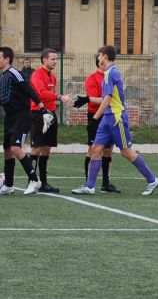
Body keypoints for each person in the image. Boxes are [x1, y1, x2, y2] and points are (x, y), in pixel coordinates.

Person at [72, 45, 158, 196]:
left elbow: (107, 99)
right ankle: (90, 186)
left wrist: (94, 118)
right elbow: (105, 98)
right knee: (96, 149)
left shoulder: (110, 73)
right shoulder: (109, 72)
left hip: (116, 118)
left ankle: (152, 180)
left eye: (99, 55)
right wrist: (88, 100)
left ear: (105, 56)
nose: (98, 58)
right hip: (107, 118)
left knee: (126, 151)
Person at [0, 46, 47, 195]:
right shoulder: (2, 75)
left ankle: (34, 179)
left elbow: (28, 89)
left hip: (22, 115)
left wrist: (41, 106)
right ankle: (9, 185)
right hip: (10, 116)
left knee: (15, 147)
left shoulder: (14, 73)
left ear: (7, 59)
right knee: (7, 149)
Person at [29, 48, 75, 193]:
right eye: (53, 59)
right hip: (39, 114)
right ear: (44, 60)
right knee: (37, 147)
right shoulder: (37, 75)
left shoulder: (52, 77)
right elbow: (42, 94)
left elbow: (50, 95)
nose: (55, 61)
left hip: (51, 114)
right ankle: (31, 181)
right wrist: (60, 97)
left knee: (47, 148)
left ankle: (43, 183)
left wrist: (60, 98)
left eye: (56, 59)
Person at [78, 55, 120, 193]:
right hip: (95, 116)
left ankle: (105, 184)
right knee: (93, 149)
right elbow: (99, 99)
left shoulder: (111, 75)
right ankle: (88, 183)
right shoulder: (92, 78)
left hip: (109, 116)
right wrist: (99, 101)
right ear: (100, 63)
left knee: (108, 150)